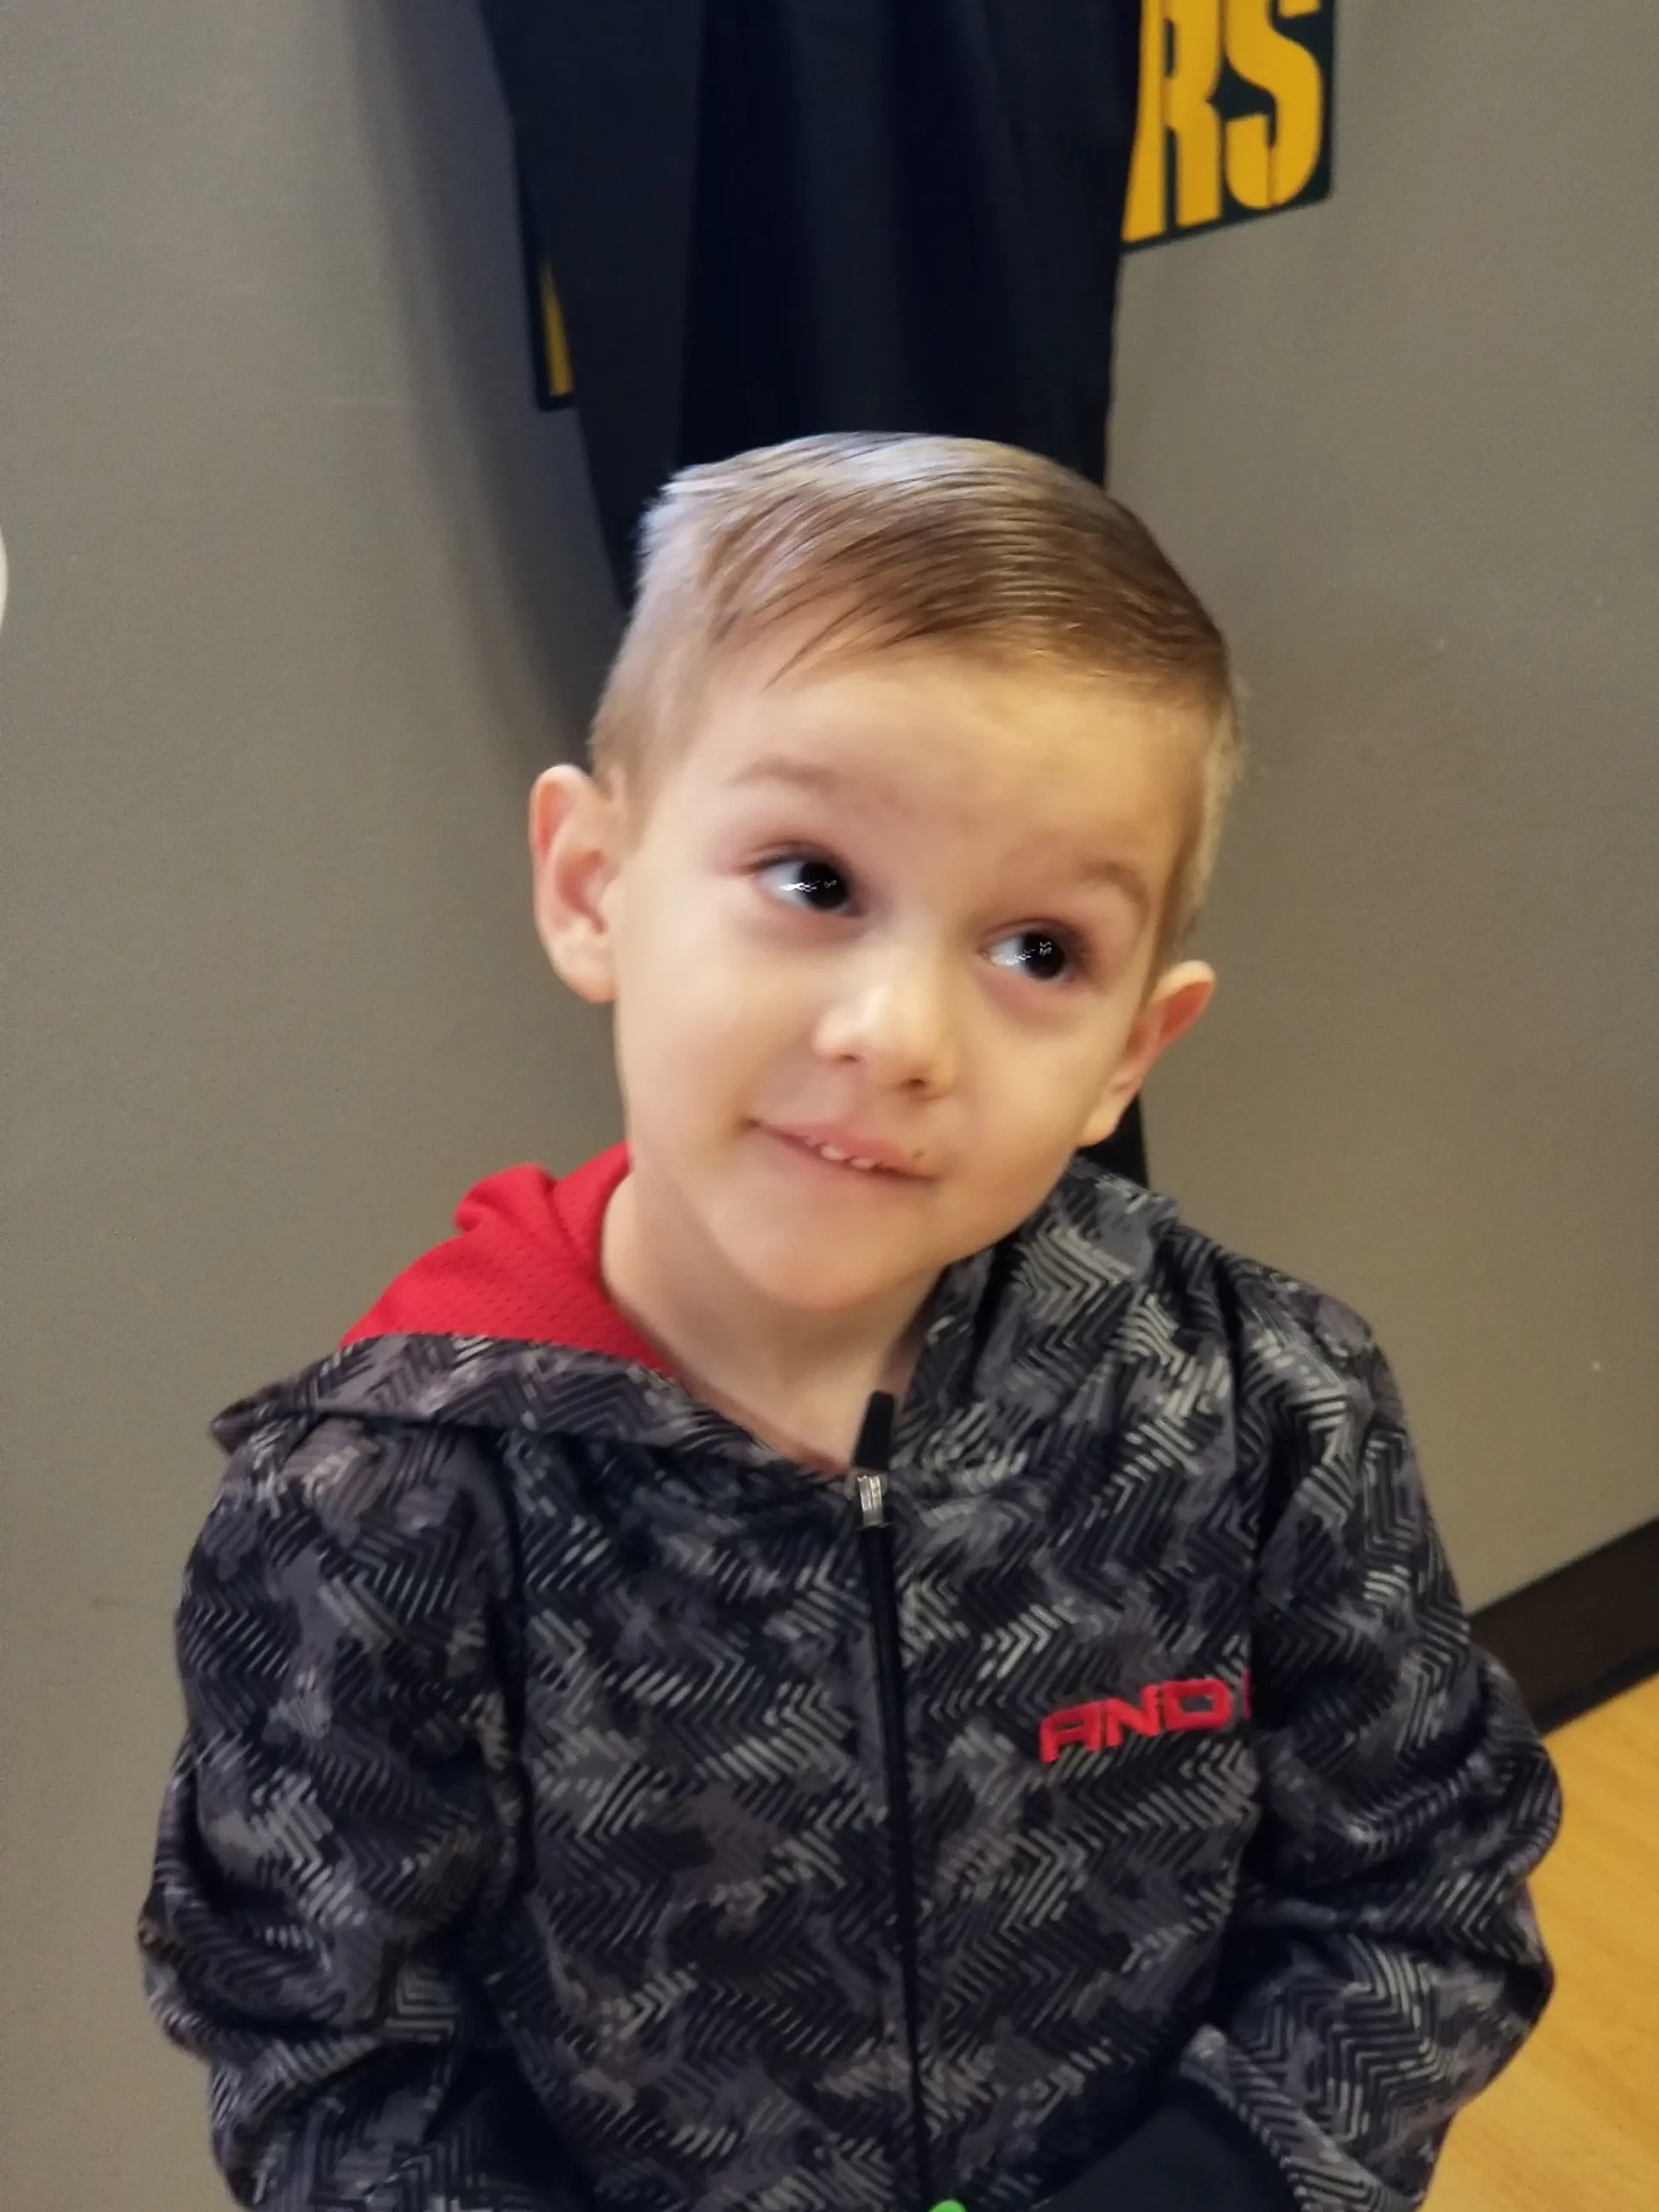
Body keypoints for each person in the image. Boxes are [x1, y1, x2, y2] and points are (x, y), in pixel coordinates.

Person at [138, 435, 1560, 2212]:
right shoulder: (377, 1512)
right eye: (813, 878)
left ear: (1134, 1044)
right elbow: (324, 2055)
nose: (899, 1032)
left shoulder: (1265, 1405)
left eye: (1036, 947)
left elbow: (1424, 1892)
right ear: (593, 883)